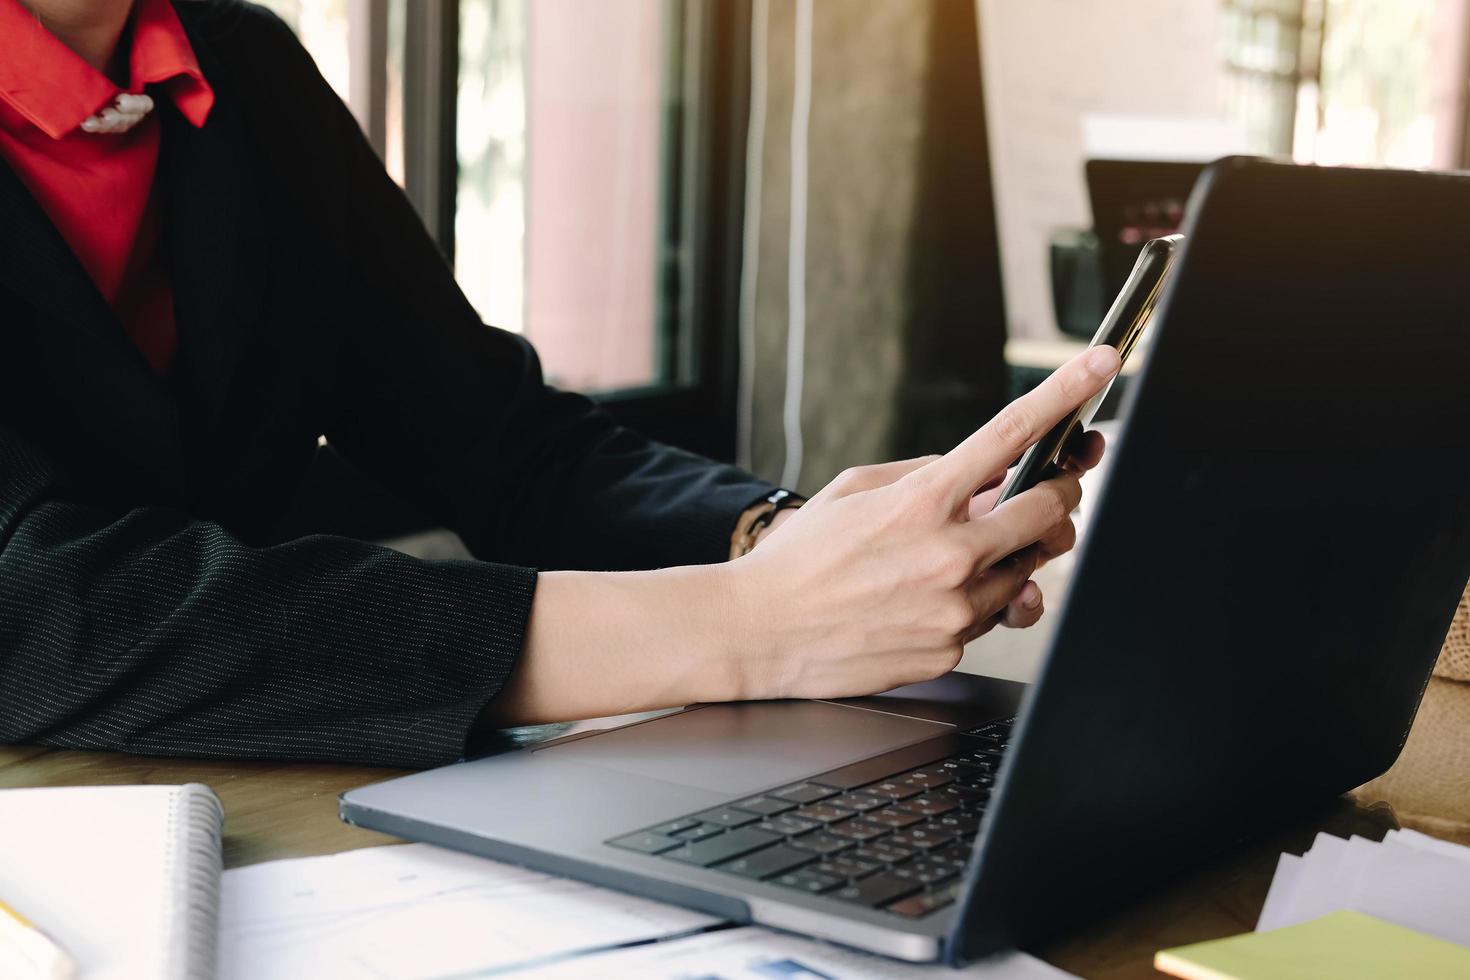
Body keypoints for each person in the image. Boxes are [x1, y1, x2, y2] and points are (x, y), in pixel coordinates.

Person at [0, 0, 1116, 768]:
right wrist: (741, 625)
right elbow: (40, 608)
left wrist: (772, 541)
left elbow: (498, 439)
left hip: (245, 779)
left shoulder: (242, 67)